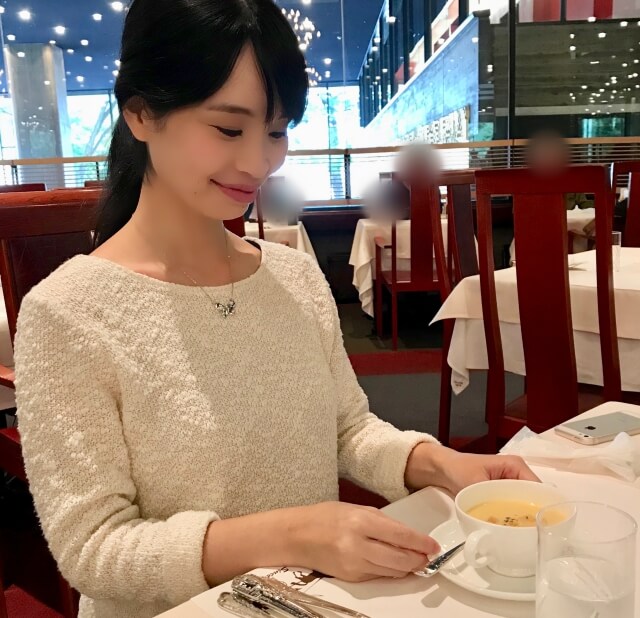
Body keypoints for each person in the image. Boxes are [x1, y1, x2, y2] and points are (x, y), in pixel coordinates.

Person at [13, 2, 538, 617]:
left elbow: (347, 429)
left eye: (277, 131)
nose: (259, 162)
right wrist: (290, 535)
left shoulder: (292, 274)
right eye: (228, 129)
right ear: (141, 113)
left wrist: (439, 464)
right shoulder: (67, 313)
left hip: (310, 603)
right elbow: (94, 549)